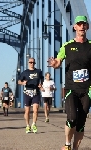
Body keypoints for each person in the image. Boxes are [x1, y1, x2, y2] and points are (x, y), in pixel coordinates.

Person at [47, 16, 91, 150]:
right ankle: (67, 144)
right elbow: (58, 62)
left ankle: (75, 148)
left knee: (81, 123)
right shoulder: (67, 46)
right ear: (75, 27)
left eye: (84, 24)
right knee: (72, 118)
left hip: (87, 89)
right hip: (71, 88)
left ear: (87, 27)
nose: (82, 26)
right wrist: (54, 64)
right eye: (79, 24)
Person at [18, 58, 44, 133]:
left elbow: (42, 78)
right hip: (27, 93)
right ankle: (27, 125)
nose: (32, 64)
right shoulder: (25, 73)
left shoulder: (38, 71)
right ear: (28, 63)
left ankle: (34, 124)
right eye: (30, 62)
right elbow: (19, 81)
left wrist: (40, 84)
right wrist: (22, 83)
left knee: (35, 110)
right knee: (27, 111)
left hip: (36, 92)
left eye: (33, 62)